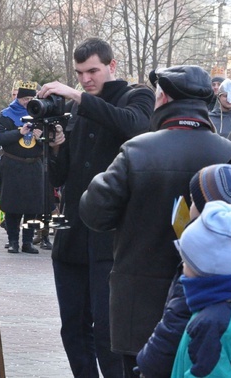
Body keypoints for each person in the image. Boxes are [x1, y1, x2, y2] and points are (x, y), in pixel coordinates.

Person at [79, 65, 231, 377]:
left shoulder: (137, 150)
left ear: (163, 98)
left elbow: (94, 213)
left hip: (137, 310)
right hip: (213, 308)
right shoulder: (230, 153)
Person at [37, 37, 156, 378]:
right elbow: (61, 177)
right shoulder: (79, 107)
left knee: (109, 334)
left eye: (93, 71)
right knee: (72, 329)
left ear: (111, 66)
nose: (86, 79)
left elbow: (134, 126)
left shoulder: (136, 96)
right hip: (73, 235)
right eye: (79, 73)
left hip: (113, 239)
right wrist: (57, 147)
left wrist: (78, 96)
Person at [136, 163, 231, 377]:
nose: (184, 267)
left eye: (192, 201)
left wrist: (149, 365)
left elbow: (174, 325)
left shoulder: (211, 319)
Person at [170, 201, 231, 377]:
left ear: (204, 269)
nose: (183, 267)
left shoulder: (212, 323)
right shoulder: (225, 308)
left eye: (186, 261)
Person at [0, 81, 48, 254]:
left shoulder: (41, 113)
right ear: (18, 98)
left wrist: (42, 136)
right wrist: (19, 132)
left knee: (33, 206)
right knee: (12, 205)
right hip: (13, 165)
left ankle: (27, 242)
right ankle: (13, 241)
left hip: (34, 166)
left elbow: (52, 140)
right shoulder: (6, 115)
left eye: (31, 98)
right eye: (25, 98)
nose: (28, 102)